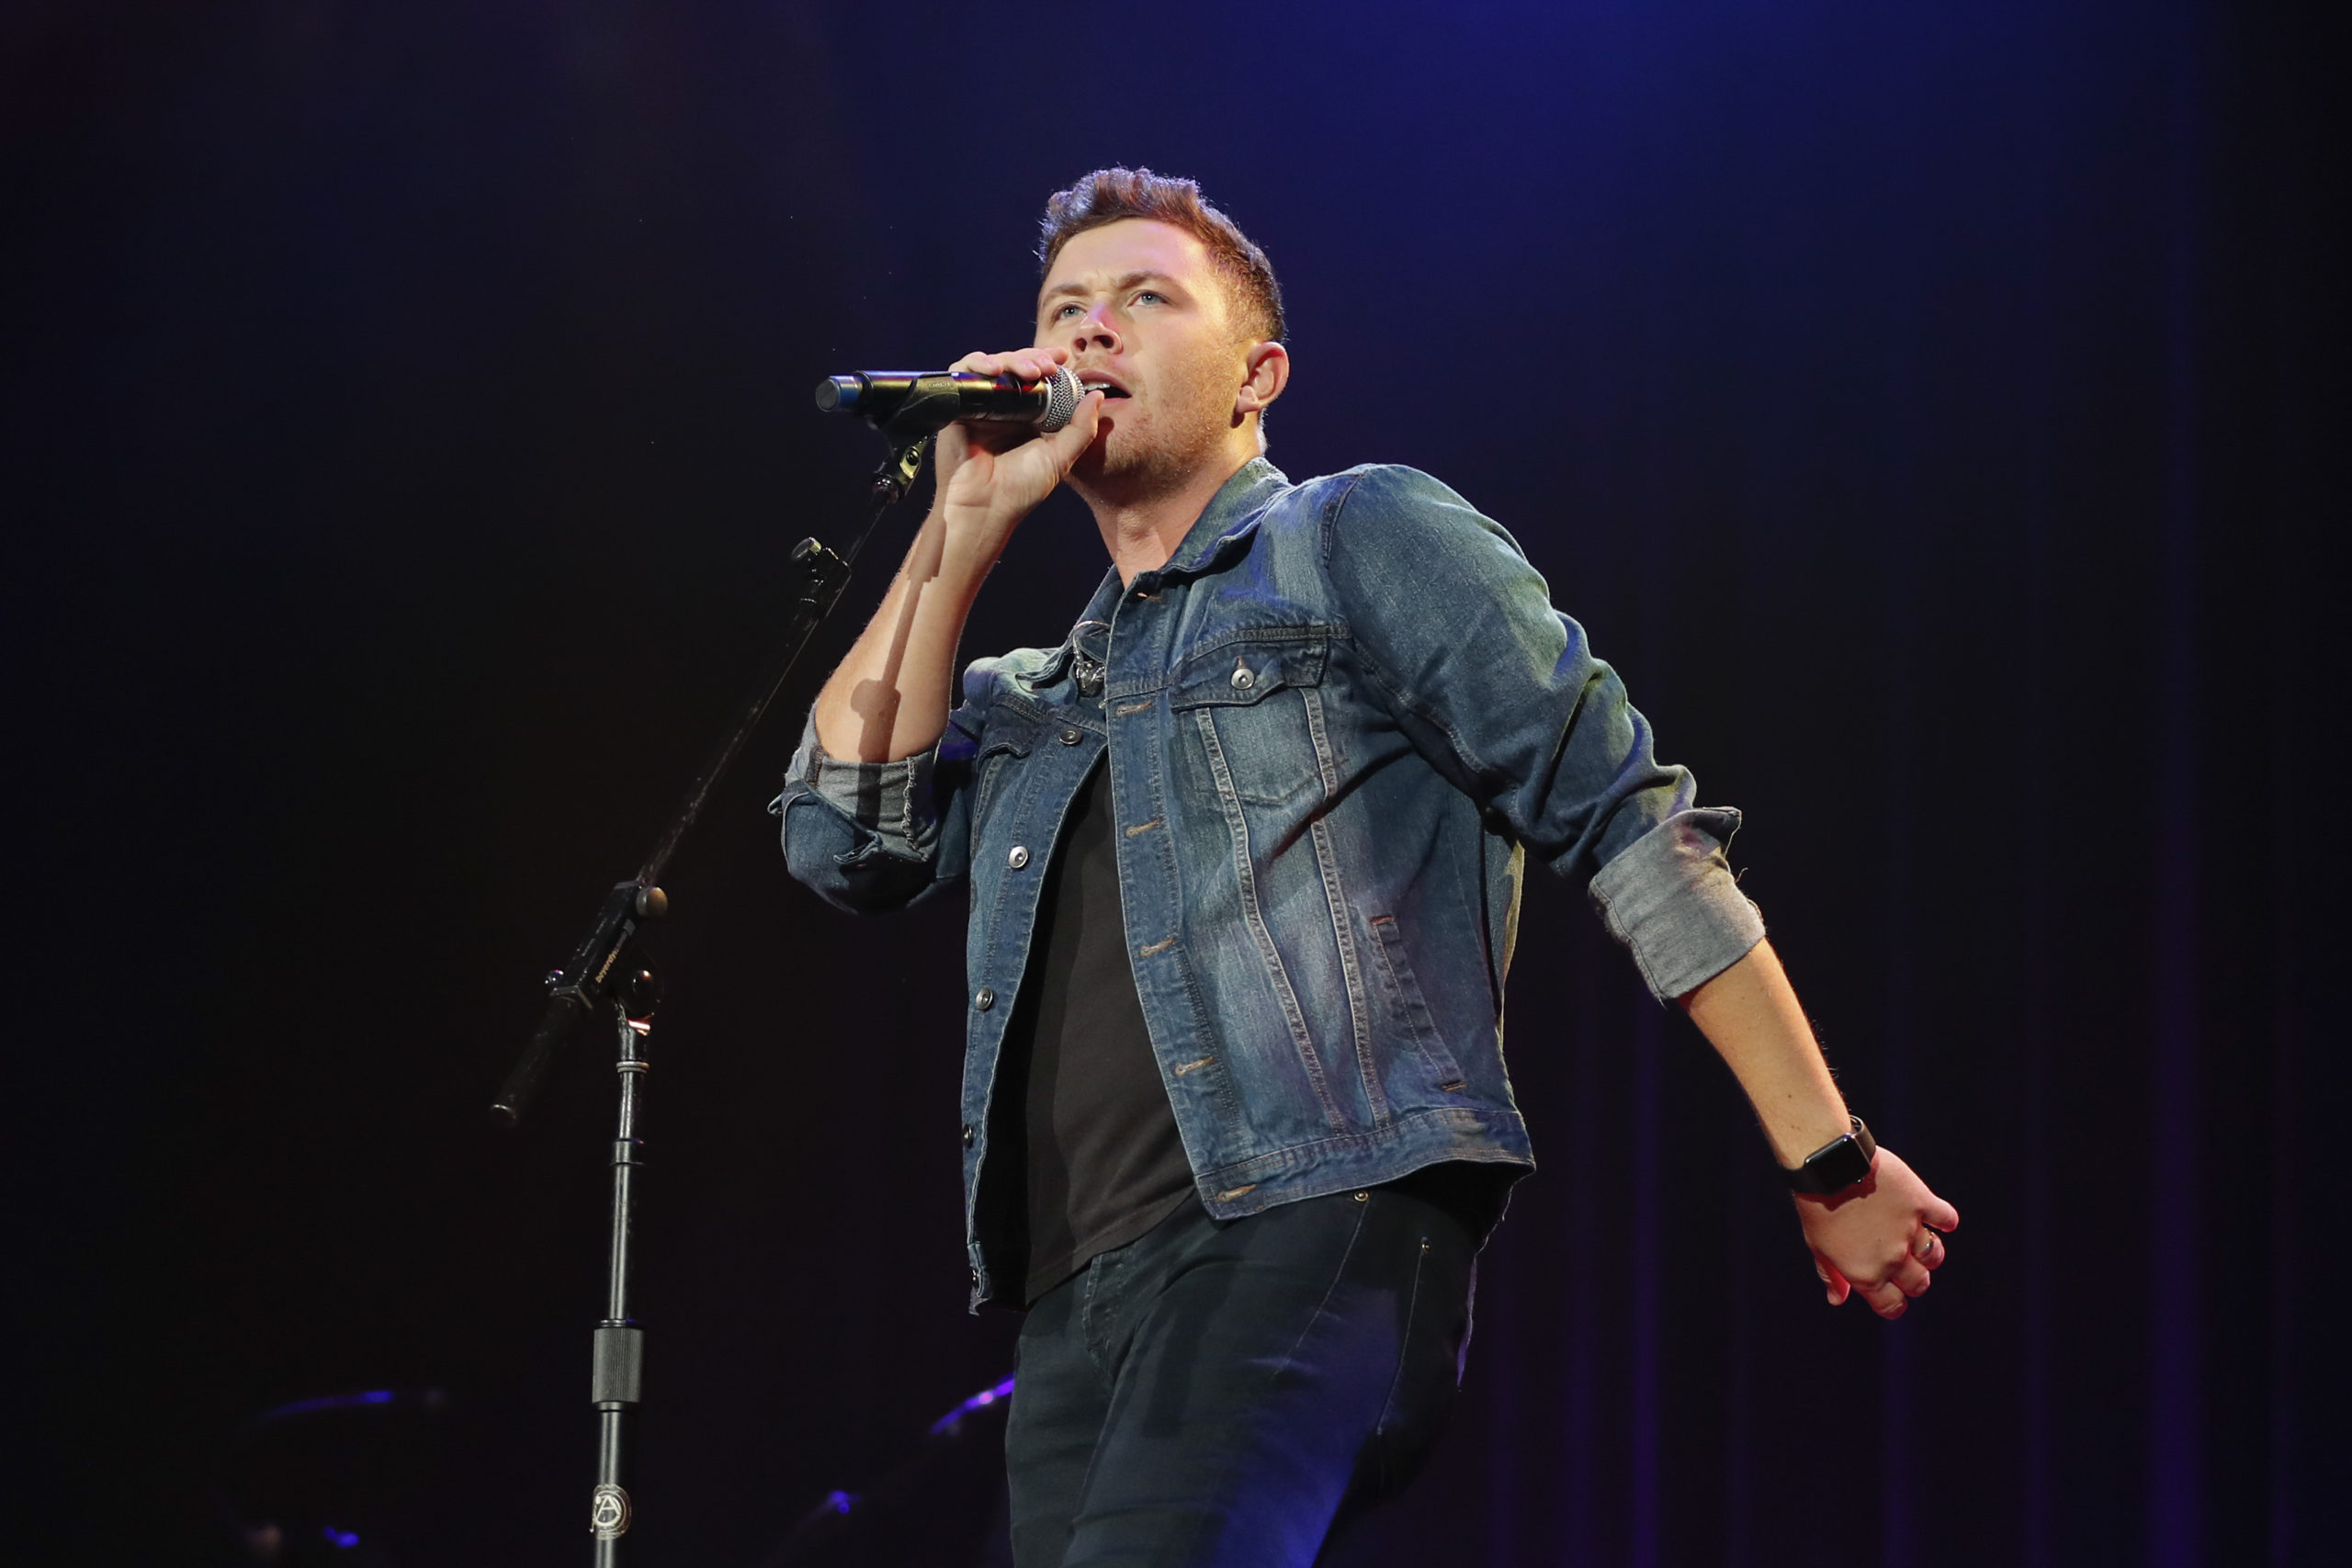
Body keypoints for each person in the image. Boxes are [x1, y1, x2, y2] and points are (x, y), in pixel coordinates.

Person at [776, 168, 1958, 1567]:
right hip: (1078, 1294)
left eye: (1146, 300)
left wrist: (1829, 1160)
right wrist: (960, 528)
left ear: (1255, 374)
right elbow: (841, 840)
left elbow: (1627, 819)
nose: (1090, 332)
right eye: (1065, 308)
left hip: (1308, 1224)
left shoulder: (1350, 538)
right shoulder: (1040, 691)